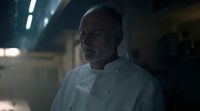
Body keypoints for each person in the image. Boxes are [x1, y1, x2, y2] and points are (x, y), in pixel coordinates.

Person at [50, 4, 165, 111]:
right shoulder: (72, 77)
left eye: (96, 33)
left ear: (118, 37)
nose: (85, 41)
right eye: (83, 33)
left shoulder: (145, 86)